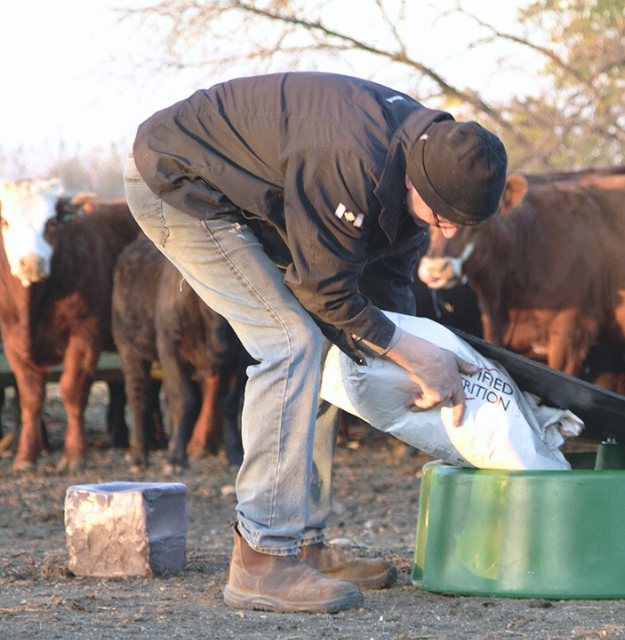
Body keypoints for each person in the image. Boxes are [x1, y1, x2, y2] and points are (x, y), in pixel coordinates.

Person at [124, 72, 508, 614]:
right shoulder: (350, 159)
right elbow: (322, 290)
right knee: (290, 342)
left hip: (259, 191)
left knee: (334, 348)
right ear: (417, 182)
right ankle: (261, 557)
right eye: (442, 217)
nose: (446, 233)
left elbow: (387, 294)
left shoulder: (428, 159)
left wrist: (414, 352)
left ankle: (303, 540)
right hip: (182, 179)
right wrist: (412, 353)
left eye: (460, 225)